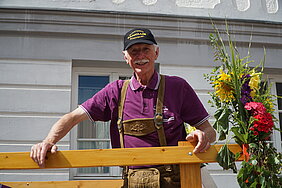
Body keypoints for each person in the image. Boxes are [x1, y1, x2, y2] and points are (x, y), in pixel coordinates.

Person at [30, 28, 216, 188]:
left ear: (156, 53)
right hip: (132, 181)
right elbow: (72, 117)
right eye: (134, 51)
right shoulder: (116, 91)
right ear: (126, 57)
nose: (140, 56)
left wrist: (201, 137)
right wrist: (48, 142)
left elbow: (209, 131)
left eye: (146, 49)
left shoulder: (177, 87)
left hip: (177, 181)